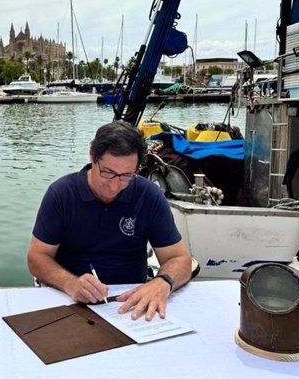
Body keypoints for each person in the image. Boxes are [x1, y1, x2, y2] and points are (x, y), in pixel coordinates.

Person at [27, 121, 192, 320]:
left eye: (126, 176)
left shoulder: (148, 195)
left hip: (132, 303)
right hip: (70, 299)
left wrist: (162, 282)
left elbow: (180, 259)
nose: (115, 186)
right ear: (92, 156)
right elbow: (37, 258)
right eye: (108, 172)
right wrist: (70, 284)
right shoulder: (61, 194)